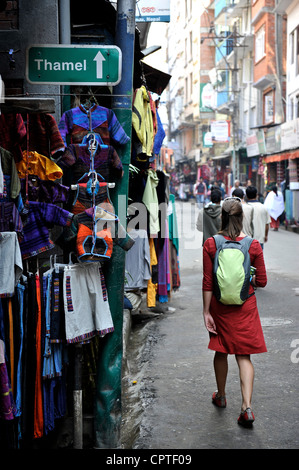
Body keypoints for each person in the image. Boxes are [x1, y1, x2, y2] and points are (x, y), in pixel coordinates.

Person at [202, 197, 267, 427]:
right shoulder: (254, 245)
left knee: (221, 351)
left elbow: (208, 281)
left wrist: (206, 312)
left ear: (222, 217)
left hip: (220, 307)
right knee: (243, 355)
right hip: (245, 306)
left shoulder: (211, 244)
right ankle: (247, 407)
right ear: (241, 218)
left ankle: (220, 396)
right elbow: (263, 281)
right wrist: (249, 279)